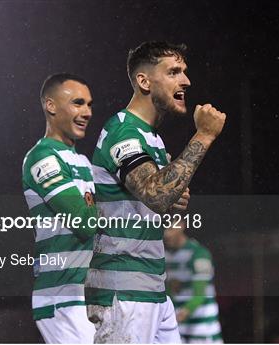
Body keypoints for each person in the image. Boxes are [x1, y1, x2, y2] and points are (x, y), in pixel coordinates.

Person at [86, 41, 226, 343]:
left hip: (152, 287)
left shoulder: (152, 139)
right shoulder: (123, 131)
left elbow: (157, 196)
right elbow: (157, 193)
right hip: (124, 288)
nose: (185, 80)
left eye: (184, 72)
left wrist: (172, 195)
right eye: (174, 72)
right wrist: (204, 134)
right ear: (144, 81)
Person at [22, 73, 98, 343]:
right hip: (62, 296)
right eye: (78, 103)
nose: (87, 112)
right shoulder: (42, 157)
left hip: (87, 294)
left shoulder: (83, 162)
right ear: (50, 106)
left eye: (89, 104)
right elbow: (84, 222)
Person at [164, 222, 223, 343]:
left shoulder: (199, 254)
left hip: (203, 328)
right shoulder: (164, 256)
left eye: (169, 228)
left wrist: (174, 318)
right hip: (180, 329)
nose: (166, 234)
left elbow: (199, 296)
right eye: (163, 229)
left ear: (181, 225)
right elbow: (168, 293)